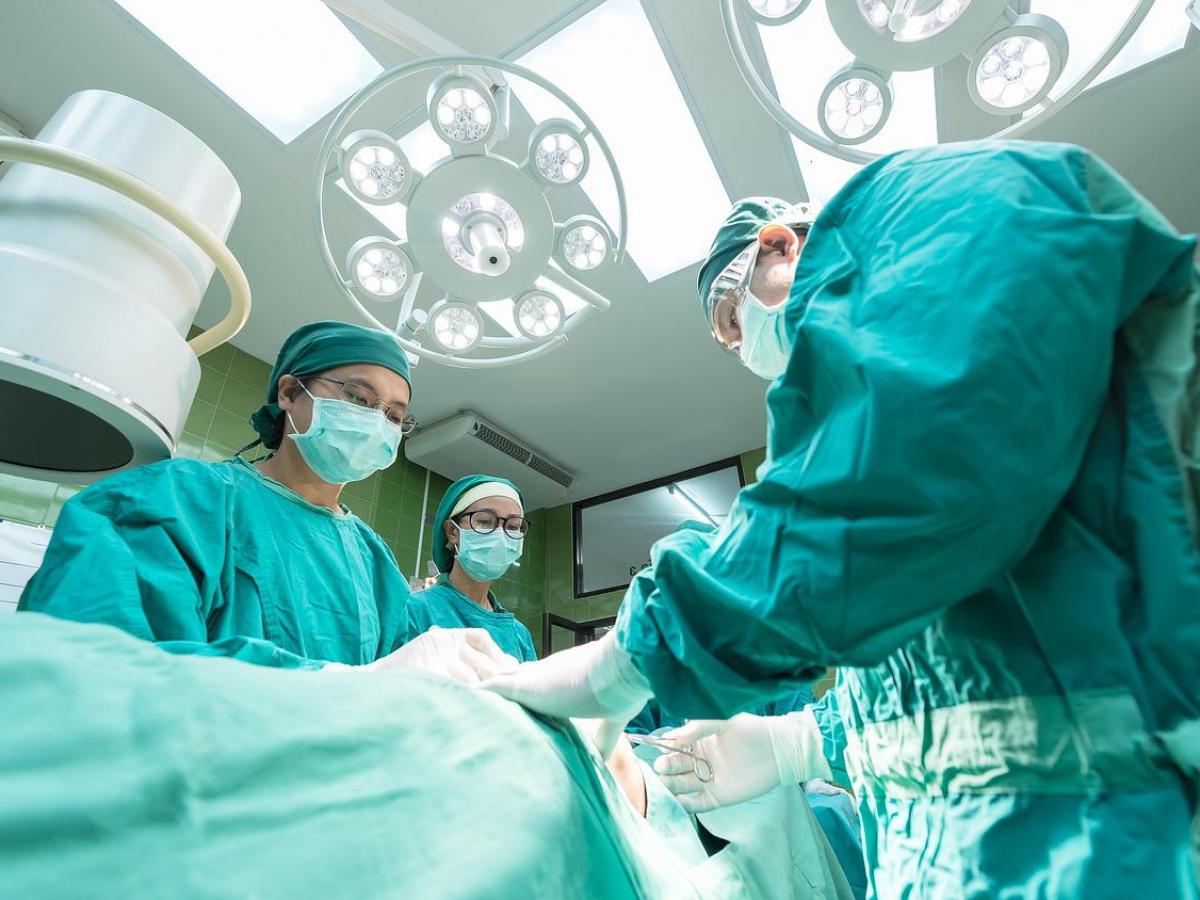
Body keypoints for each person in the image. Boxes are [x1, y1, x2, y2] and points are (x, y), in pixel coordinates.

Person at [485, 141, 1200, 897]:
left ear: (777, 244)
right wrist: (803, 744)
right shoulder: (868, 448)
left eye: (736, 320)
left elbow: (921, 457)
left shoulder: (927, 206)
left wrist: (626, 658)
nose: (743, 349)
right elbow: (949, 693)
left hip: (1136, 839)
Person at [21, 320, 515, 681]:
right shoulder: (177, 501)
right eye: (360, 400)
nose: (376, 421)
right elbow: (94, 670)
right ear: (288, 392)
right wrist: (338, 689)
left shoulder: (373, 562)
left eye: (392, 415)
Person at [406, 474, 538, 662]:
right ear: (453, 532)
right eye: (484, 521)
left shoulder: (519, 635)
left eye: (513, 525)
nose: (501, 535)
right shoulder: (414, 610)